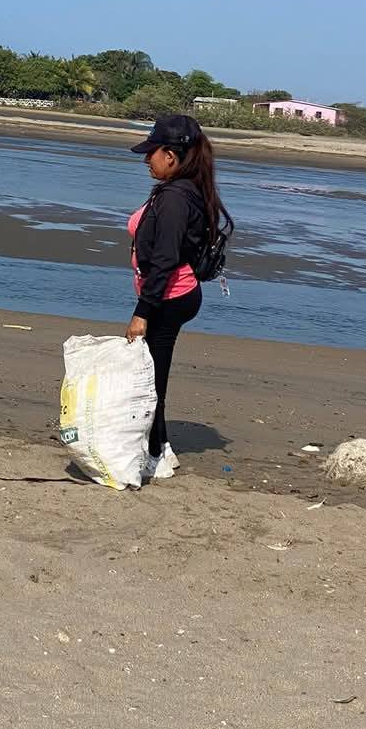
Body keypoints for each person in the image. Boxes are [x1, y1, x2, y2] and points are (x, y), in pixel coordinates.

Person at [124, 113, 230, 481]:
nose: (146, 159)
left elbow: (166, 259)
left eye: (151, 152)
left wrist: (142, 312)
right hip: (174, 294)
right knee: (152, 373)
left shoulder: (174, 198)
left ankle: (156, 455)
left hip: (170, 297)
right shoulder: (186, 189)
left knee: (151, 378)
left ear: (170, 156)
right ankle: (162, 446)